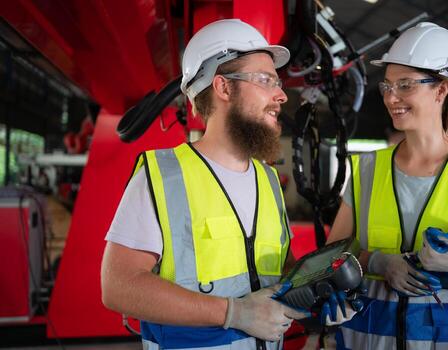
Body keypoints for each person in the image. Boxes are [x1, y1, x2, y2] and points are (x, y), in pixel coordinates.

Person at [101, 19, 309, 350]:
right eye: (266, 80)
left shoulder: (268, 180)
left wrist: (315, 294)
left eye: (278, 82)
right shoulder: (164, 176)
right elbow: (118, 286)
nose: (281, 95)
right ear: (223, 87)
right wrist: (233, 312)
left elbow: (279, 268)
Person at [327, 22, 448, 350]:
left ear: (441, 89)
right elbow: (328, 258)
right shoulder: (368, 170)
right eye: (387, 86)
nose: (392, 98)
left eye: (405, 85)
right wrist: (376, 262)